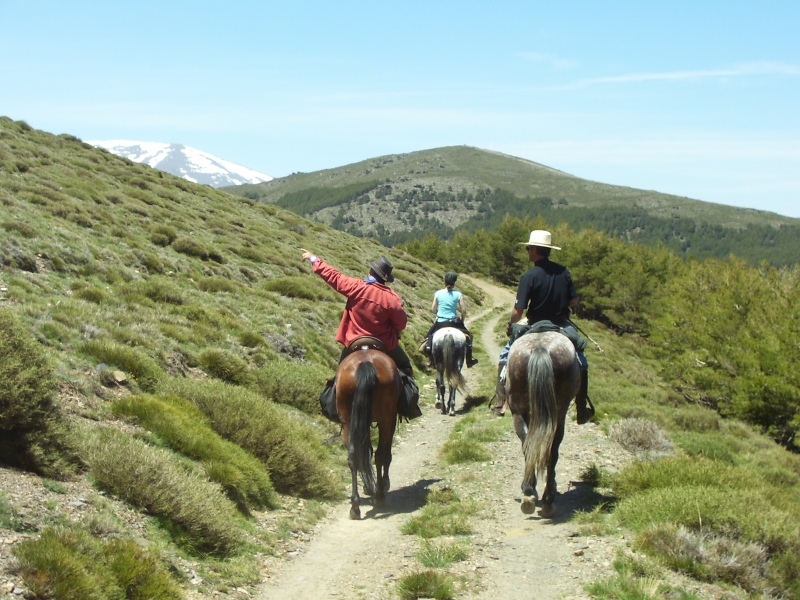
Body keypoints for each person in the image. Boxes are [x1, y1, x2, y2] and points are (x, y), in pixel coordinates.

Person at [300, 249, 421, 420]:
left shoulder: (355, 286)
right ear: (386, 278)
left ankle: (334, 410)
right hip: (384, 344)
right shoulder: (391, 298)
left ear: (372, 271)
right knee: (406, 367)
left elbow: (333, 276)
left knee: (339, 377)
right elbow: (401, 324)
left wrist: (314, 259)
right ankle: (408, 407)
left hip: (354, 343)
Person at [493, 230, 594, 424]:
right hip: (560, 324)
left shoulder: (529, 276)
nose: (527, 251)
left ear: (535, 250)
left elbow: (518, 310)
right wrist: (561, 304)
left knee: (505, 355)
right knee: (581, 359)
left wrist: (511, 325)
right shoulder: (563, 272)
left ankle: (500, 403)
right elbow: (574, 300)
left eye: (528, 248)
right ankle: (582, 408)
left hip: (534, 323)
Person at [421, 272, 478, 368]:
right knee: (468, 336)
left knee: (428, 337)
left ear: (444, 281)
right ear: (454, 282)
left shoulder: (438, 293)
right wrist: (462, 321)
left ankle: (431, 359)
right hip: (453, 322)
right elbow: (463, 310)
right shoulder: (458, 294)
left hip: (440, 322)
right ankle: (469, 359)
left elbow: (433, 309)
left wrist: (440, 314)